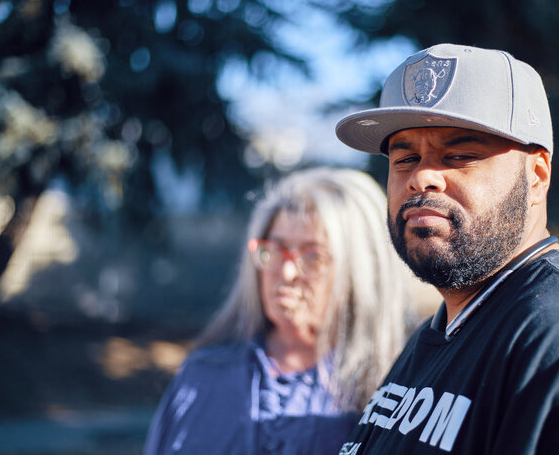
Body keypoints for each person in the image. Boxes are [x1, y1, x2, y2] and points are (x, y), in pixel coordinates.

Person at [334, 44, 559, 454]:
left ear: (537, 176)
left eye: (460, 155)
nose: (423, 177)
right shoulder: (440, 331)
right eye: (405, 159)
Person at [143, 167, 419, 455]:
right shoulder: (204, 375)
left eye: (312, 256)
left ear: (361, 272)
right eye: (274, 250)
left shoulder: (399, 390)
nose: (286, 272)